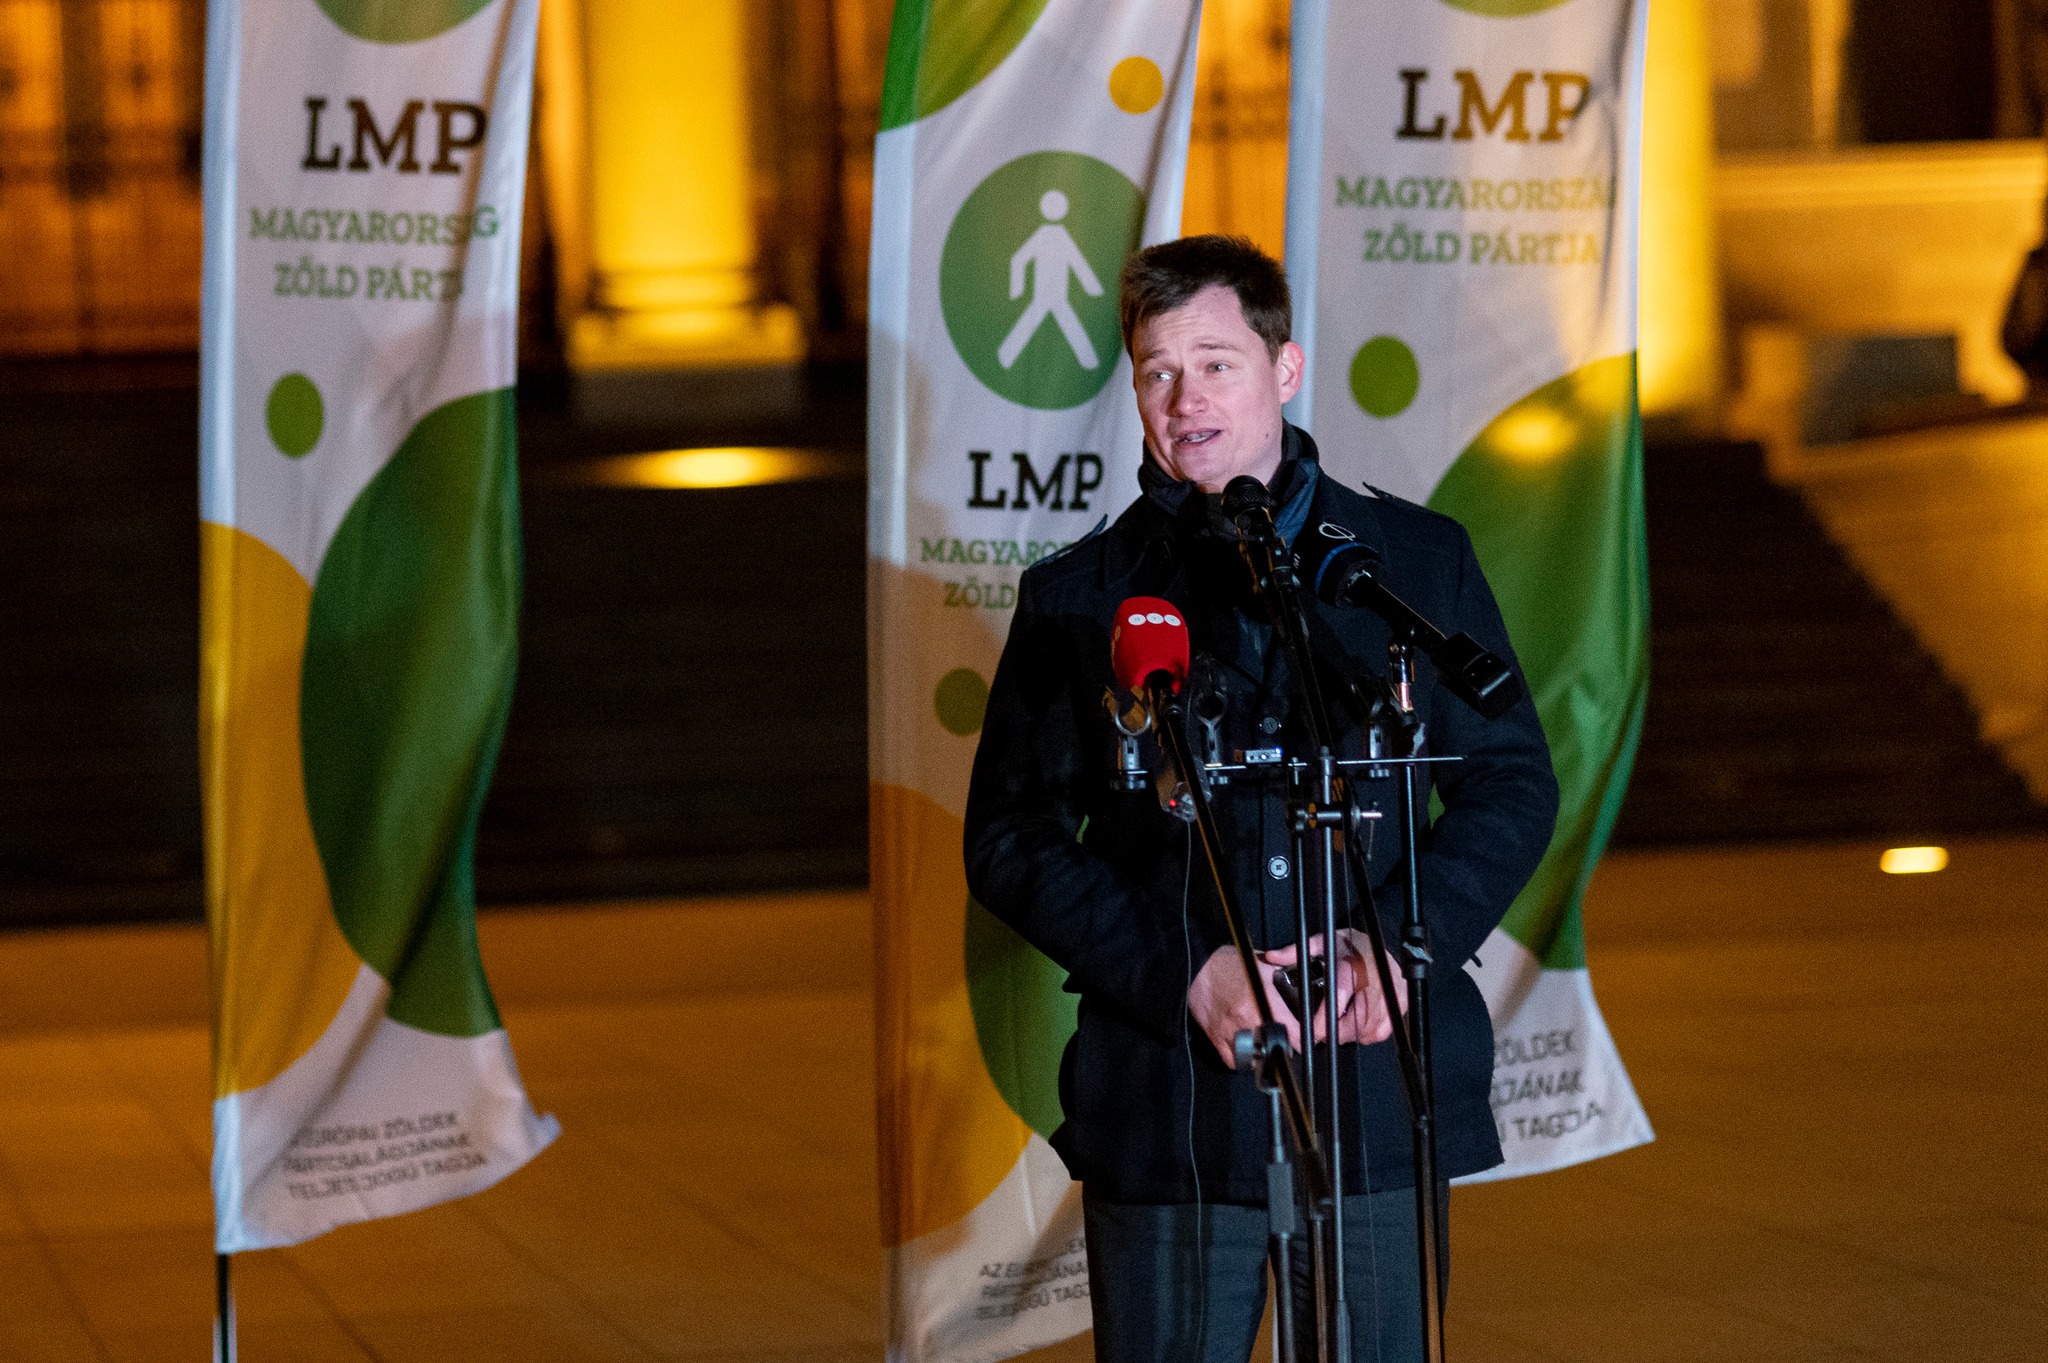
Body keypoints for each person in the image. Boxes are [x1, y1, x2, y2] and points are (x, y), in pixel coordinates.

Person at [963, 235, 1559, 1362]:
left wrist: (1401, 949)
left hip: (1373, 1086)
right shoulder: (1078, 598)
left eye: (1214, 363)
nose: (1184, 399)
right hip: (1171, 1105)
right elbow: (1009, 837)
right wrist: (1187, 968)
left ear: (1284, 369)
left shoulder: (1412, 565)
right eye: (1156, 370)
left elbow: (1509, 781)